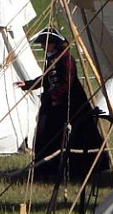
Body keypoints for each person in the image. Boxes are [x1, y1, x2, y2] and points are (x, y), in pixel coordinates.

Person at [17, 30, 105, 186]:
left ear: (54, 44)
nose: (44, 47)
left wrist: (53, 96)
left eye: (46, 43)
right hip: (53, 106)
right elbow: (46, 79)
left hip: (71, 105)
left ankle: (79, 171)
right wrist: (28, 85)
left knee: (78, 137)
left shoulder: (67, 59)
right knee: (46, 137)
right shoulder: (51, 59)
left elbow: (67, 83)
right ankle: (46, 171)